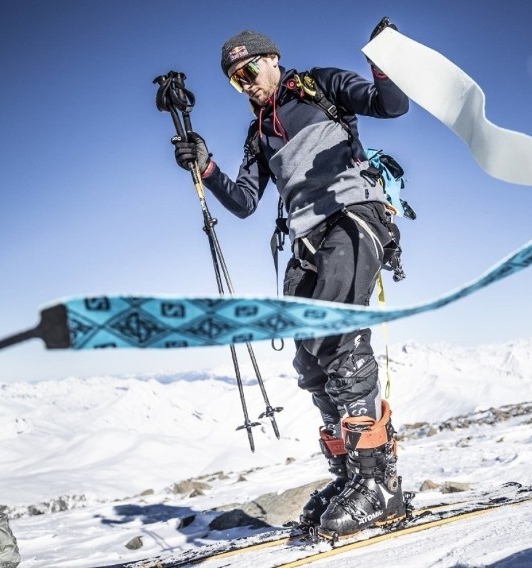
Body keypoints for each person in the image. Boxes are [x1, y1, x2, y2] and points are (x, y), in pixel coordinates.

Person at [172, 19, 409, 536]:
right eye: (236, 80)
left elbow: (392, 106)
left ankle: (379, 485)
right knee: (309, 355)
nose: (246, 83)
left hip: (354, 217)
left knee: (337, 333)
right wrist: (206, 168)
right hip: (304, 239)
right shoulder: (258, 134)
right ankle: (352, 476)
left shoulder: (322, 86)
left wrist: (383, 61)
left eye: (250, 70)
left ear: (272, 60)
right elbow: (243, 203)